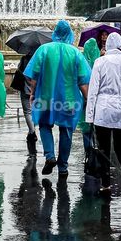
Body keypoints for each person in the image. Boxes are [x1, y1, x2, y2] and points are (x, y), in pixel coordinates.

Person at [24, 20, 91, 177]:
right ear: (69, 34)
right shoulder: (75, 53)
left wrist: (32, 92)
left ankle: (50, 156)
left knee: (45, 126)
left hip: (45, 97)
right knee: (66, 130)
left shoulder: (43, 50)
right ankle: (63, 167)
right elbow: (83, 80)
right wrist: (88, 99)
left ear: (55, 33)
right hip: (69, 100)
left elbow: (33, 75)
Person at [85, 33, 121, 197]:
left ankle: (105, 184)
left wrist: (90, 117)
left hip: (103, 110)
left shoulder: (100, 62)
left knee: (104, 148)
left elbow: (93, 92)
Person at [9, 50, 38, 156]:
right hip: (38, 89)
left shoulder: (24, 59)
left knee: (27, 111)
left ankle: (32, 132)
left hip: (25, 88)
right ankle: (32, 130)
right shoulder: (41, 58)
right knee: (34, 110)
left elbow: (20, 71)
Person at [79, 38, 102, 171]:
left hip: (84, 99)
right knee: (98, 127)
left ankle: (88, 152)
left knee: (86, 128)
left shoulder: (81, 61)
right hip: (99, 100)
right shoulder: (100, 62)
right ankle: (98, 151)